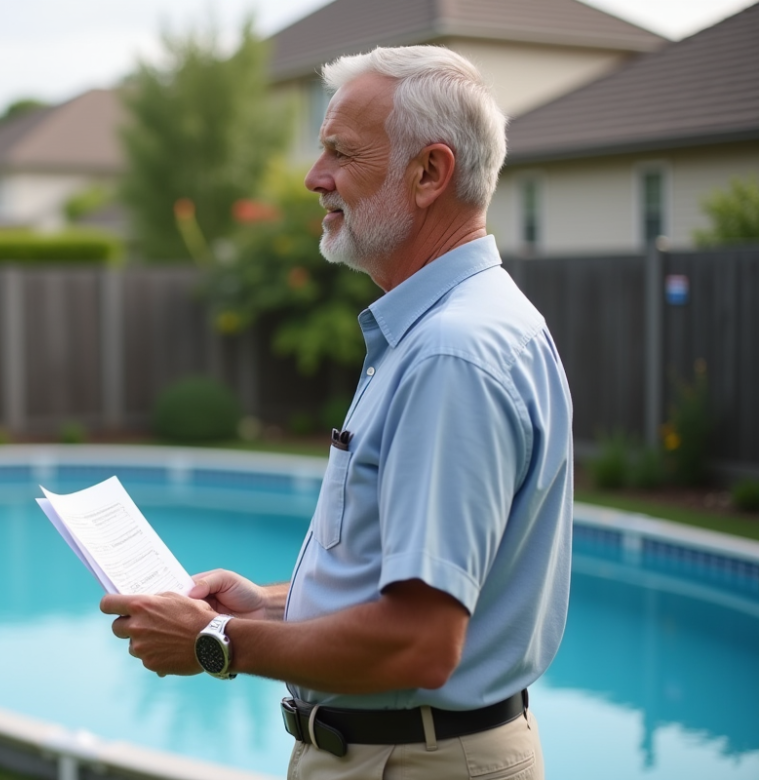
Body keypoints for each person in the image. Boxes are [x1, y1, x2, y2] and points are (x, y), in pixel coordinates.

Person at [101, 45, 572, 780]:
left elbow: (420, 641)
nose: (314, 178)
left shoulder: (451, 352)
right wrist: (267, 605)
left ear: (429, 173)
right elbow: (411, 586)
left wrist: (216, 640)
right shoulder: (446, 329)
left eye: (340, 154)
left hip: (414, 762)